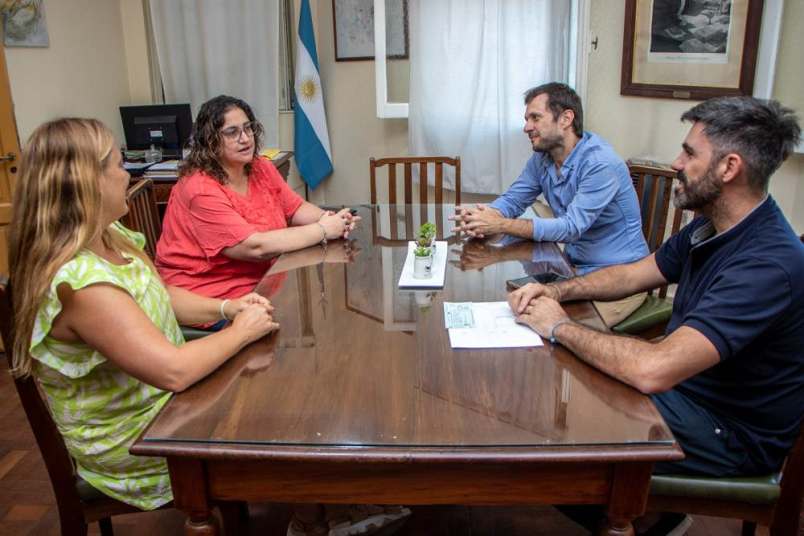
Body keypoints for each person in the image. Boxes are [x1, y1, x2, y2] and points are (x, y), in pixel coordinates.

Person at [509, 96, 803, 534]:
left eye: (689, 153)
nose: (675, 162)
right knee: (559, 397)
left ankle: (640, 518)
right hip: (690, 393)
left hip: (731, 435)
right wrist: (554, 289)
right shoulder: (710, 226)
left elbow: (654, 370)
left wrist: (558, 325)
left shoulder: (768, 263)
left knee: (551, 431)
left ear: (729, 168)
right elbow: (632, 275)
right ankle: (647, 513)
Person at [8, 118, 278, 511]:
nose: (126, 175)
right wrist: (242, 331)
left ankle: (313, 505)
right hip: (135, 438)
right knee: (274, 417)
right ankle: (313, 511)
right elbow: (174, 371)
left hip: (162, 402)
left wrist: (227, 307)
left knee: (272, 393)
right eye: (118, 165)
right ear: (89, 182)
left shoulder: (110, 237)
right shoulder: (80, 283)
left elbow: (161, 295)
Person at [451, 82, 650, 327]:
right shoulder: (542, 158)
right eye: (526, 119)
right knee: (514, 308)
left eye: (535, 118)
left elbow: (570, 228)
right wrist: (486, 215)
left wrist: (500, 224)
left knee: (555, 330)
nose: (526, 127)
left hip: (620, 279)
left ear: (566, 118)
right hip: (574, 270)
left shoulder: (601, 163)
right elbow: (514, 199)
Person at [156, 95, 360, 308]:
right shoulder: (199, 190)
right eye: (232, 132)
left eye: (248, 128)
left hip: (265, 275)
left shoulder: (260, 166)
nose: (245, 138)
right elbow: (255, 248)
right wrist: (323, 230)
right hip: (211, 293)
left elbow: (295, 208)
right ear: (210, 141)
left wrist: (332, 219)